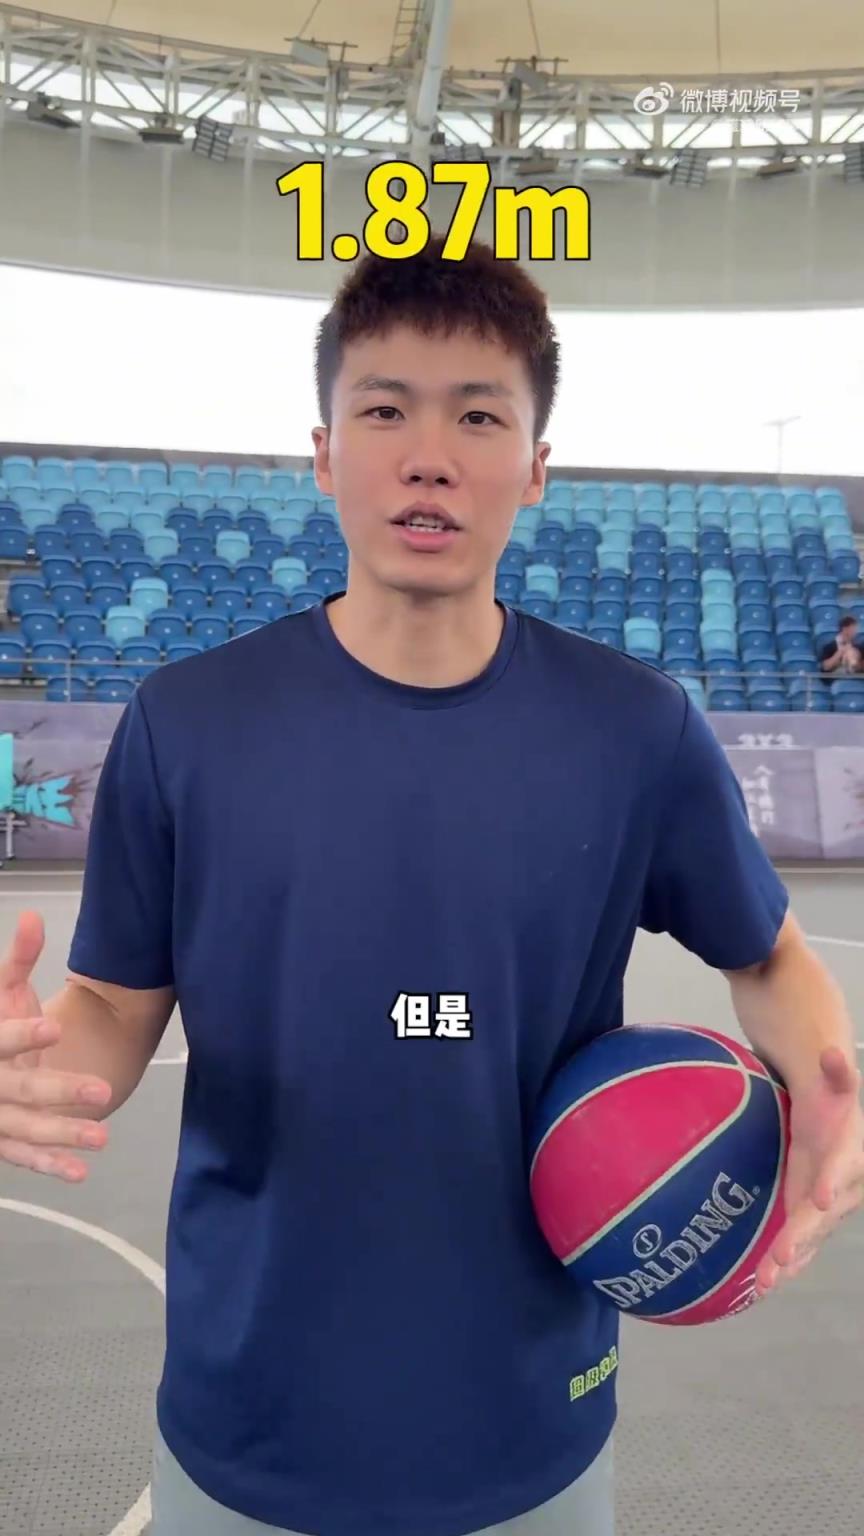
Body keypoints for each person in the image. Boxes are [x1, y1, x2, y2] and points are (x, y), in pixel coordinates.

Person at [0, 237, 793, 1536]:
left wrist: (828, 1089)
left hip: (531, 1421)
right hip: (249, 1417)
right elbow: (113, 1003)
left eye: (478, 416)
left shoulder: (634, 729)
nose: (430, 455)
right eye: (385, 411)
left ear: (535, 467)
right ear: (323, 454)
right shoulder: (188, 722)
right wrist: (39, 1061)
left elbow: (770, 956)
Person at [819, 614, 863, 678]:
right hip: (836, 679)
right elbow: (825, 667)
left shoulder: (858, 647)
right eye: (853, 629)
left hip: (854, 679)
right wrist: (840, 652)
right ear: (845, 629)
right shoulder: (829, 647)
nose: (855, 632)